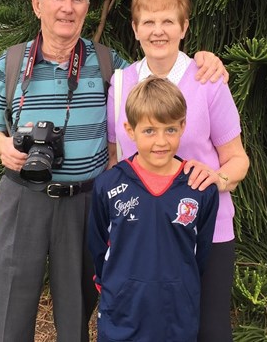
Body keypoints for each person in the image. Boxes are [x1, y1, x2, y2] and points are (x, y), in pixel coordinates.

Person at [0, 0, 230, 342]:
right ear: (37, 5)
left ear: (86, 9)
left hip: (83, 202)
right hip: (21, 198)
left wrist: (205, 58)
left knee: (76, 313)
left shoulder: (107, 64)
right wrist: (4, 148)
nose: (68, 7)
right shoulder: (11, 62)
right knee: (7, 315)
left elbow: (155, 70)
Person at [107, 0, 250, 341]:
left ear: (184, 27)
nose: (159, 31)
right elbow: (115, 162)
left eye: (168, 21)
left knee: (210, 330)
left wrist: (217, 178)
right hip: (143, 233)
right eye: (149, 22)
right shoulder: (121, 85)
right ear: (135, 29)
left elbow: (237, 159)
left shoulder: (208, 79)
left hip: (206, 232)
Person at [89, 76, 219, 341]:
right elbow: (98, 245)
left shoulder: (200, 189)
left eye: (170, 129)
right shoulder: (108, 185)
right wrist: (117, 286)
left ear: (183, 126)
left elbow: (201, 253)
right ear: (130, 130)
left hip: (177, 313)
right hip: (122, 312)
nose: (161, 141)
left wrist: (181, 287)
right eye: (149, 130)